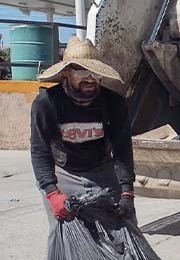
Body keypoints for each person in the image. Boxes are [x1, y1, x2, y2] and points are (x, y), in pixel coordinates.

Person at [30, 36, 136, 235]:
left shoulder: (114, 103)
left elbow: (122, 149)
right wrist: (52, 194)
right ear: (67, 72)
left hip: (102, 169)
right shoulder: (47, 103)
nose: (90, 78)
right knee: (65, 232)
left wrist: (127, 192)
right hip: (64, 172)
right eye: (81, 71)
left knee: (124, 227)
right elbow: (40, 151)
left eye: (95, 73)